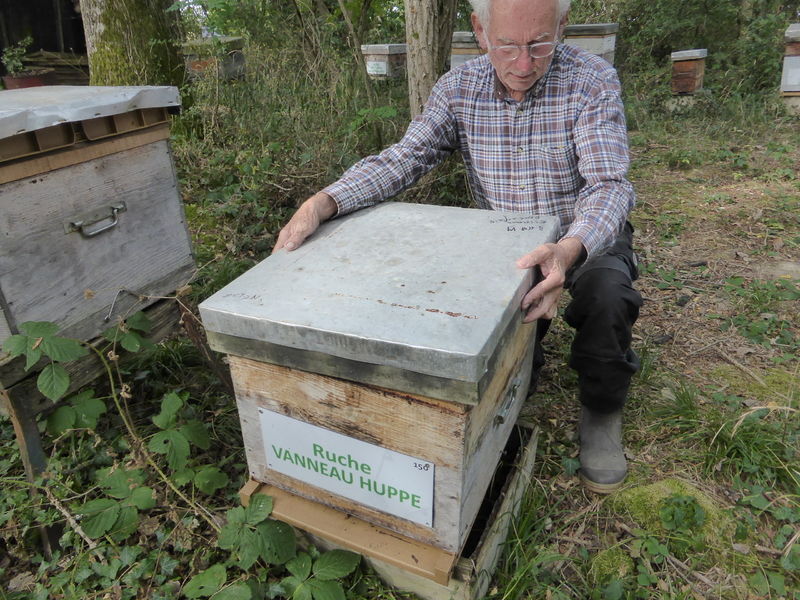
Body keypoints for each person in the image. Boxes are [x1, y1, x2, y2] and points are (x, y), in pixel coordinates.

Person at [272, 0, 642, 494]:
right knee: (501, 376)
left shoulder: (591, 81)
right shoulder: (458, 89)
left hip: (587, 232)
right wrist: (326, 201)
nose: (524, 64)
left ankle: (601, 409)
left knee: (606, 297)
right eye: (508, 45)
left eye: (539, 44)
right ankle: (522, 364)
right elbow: (404, 158)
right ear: (480, 31)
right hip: (508, 242)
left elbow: (609, 185)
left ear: (562, 27)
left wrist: (570, 247)